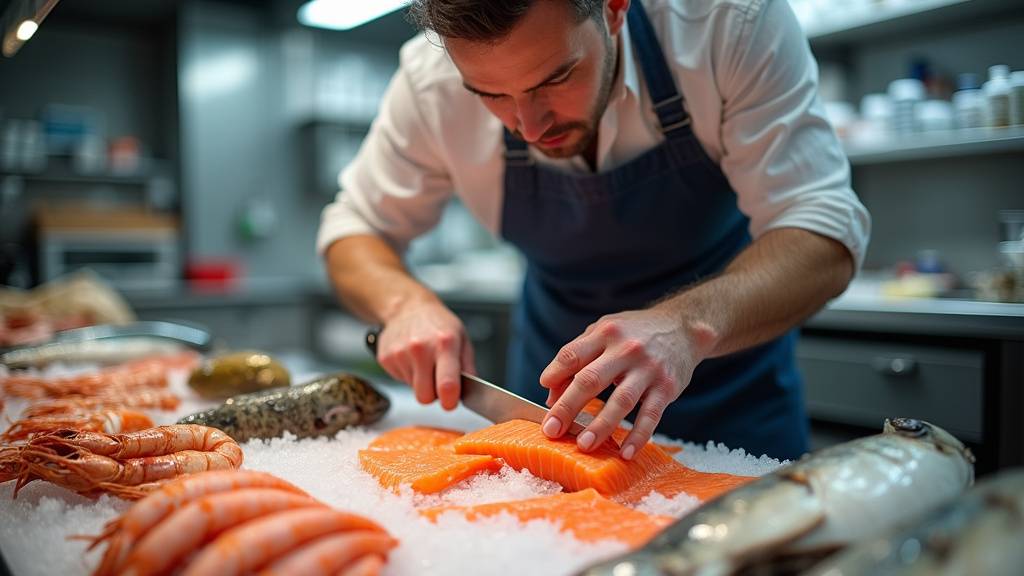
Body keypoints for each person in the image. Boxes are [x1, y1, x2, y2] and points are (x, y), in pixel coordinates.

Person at [317, 0, 870, 461]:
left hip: (731, 392)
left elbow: (820, 228)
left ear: (612, 9)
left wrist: (686, 326)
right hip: (551, 407)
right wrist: (404, 303)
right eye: (490, 95)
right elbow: (355, 226)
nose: (530, 127)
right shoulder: (429, 82)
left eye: (556, 78)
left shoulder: (728, 23)